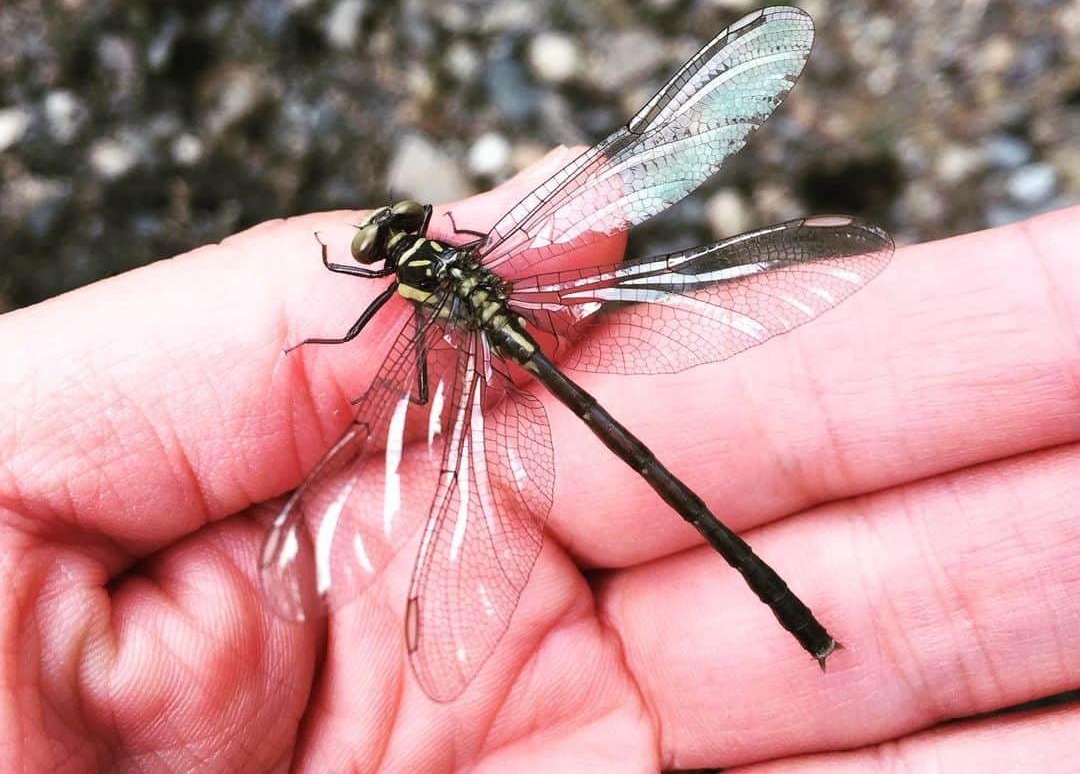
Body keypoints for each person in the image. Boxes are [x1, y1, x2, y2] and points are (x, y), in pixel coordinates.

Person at [1, 154, 1076, 772]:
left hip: (489, 362)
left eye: (392, 238)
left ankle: (810, 625)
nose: (391, 240)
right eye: (389, 240)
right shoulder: (467, 263)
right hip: (519, 336)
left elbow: (344, 340)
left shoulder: (416, 316)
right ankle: (804, 622)